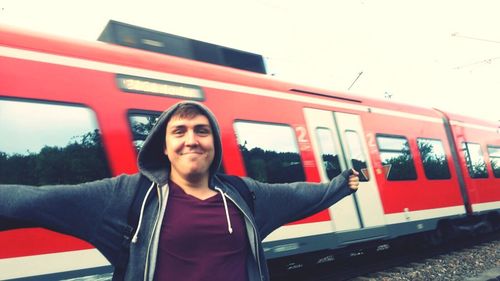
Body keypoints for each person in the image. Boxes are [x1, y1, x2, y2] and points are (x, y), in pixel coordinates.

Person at [0, 101, 360, 281]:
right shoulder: (127, 197)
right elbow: (37, 200)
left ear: (214, 144)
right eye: (180, 132)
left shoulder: (244, 195)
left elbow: (301, 195)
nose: (192, 140)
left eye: (202, 131)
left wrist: (341, 184)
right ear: (164, 146)